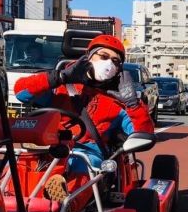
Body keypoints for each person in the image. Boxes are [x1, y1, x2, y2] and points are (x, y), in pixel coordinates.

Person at [13, 34, 153, 202]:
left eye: (115, 61)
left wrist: (132, 103)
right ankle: (6, 200)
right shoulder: (61, 86)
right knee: (21, 162)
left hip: (87, 152)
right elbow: (21, 92)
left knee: (82, 165)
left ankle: (65, 203)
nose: (109, 63)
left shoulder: (118, 103)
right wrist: (59, 77)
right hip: (50, 144)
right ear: (89, 57)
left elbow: (144, 133)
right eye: (104, 57)